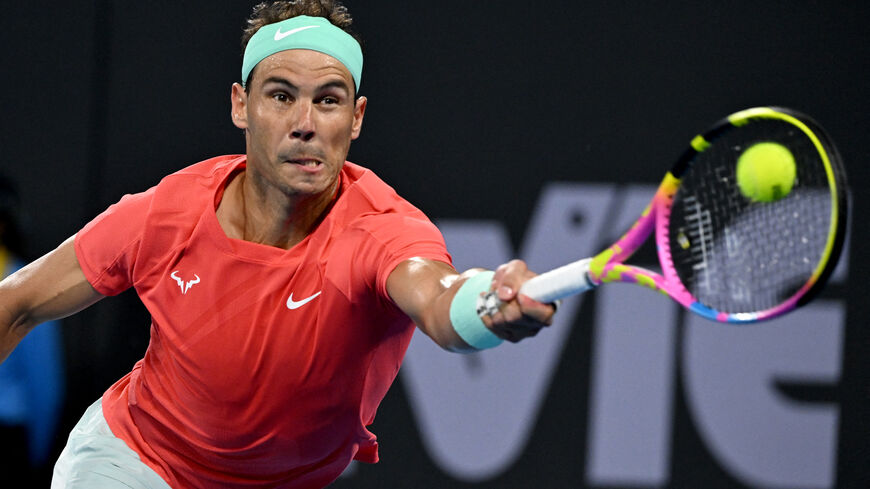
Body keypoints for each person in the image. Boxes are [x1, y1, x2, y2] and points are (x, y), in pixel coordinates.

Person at [0, 1, 556, 487]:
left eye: (329, 100)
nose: (304, 124)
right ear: (242, 105)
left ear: (356, 118)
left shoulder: (383, 229)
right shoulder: (166, 214)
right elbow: (16, 302)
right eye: (282, 96)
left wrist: (489, 305)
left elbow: (439, 299)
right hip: (133, 464)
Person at [0, 176, 65, 485]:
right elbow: (45, 386)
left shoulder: (26, 283)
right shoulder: (30, 283)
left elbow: (45, 384)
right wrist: (37, 455)